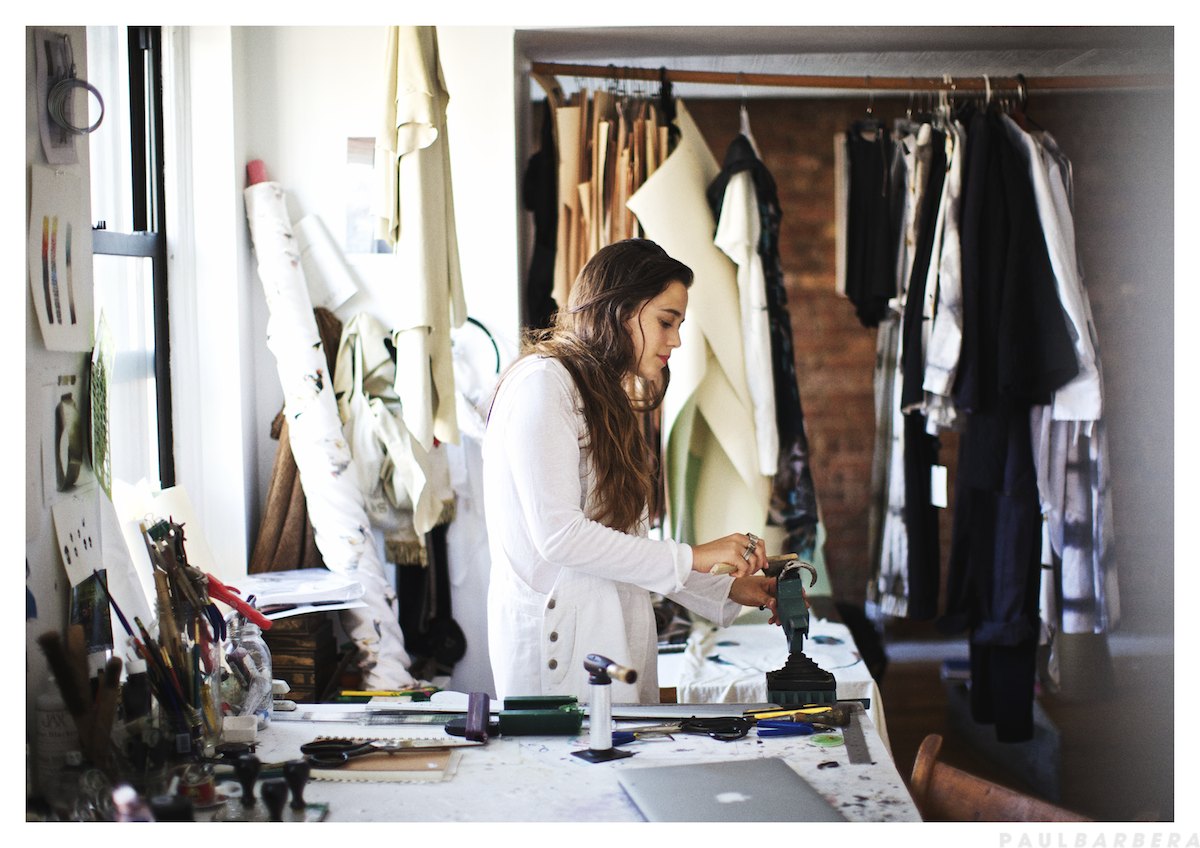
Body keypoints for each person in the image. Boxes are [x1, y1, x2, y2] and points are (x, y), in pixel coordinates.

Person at [483, 238, 779, 703]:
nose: (675, 340)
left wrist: (727, 589)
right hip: (559, 652)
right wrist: (695, 555)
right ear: (619, 310)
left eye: (678, 325)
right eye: (666, 321)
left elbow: (623, 546)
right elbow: (559, 536)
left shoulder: (600, 395)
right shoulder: (543, 384)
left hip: (607, 640)